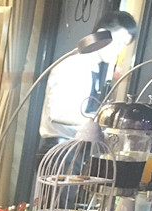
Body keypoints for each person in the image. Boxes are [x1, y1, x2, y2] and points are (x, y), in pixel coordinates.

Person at [38, 11, 138, 154]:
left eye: (123, 46)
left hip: (75, 148)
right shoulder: (73, 65)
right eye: (118, 43)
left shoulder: (94, 69)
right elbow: (58, 113)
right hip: (61, 149)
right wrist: (102, 122)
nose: (119, 50)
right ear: (102, 35)